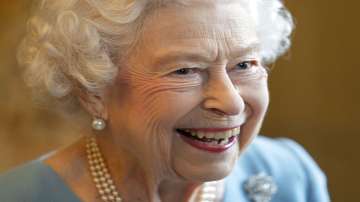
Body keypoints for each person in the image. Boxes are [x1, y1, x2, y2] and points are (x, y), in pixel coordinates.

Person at [0, 0, 330, 201]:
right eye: (185, 70)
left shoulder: (290, 175)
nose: (231, 103)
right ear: (93, 91)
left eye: (244, 65)